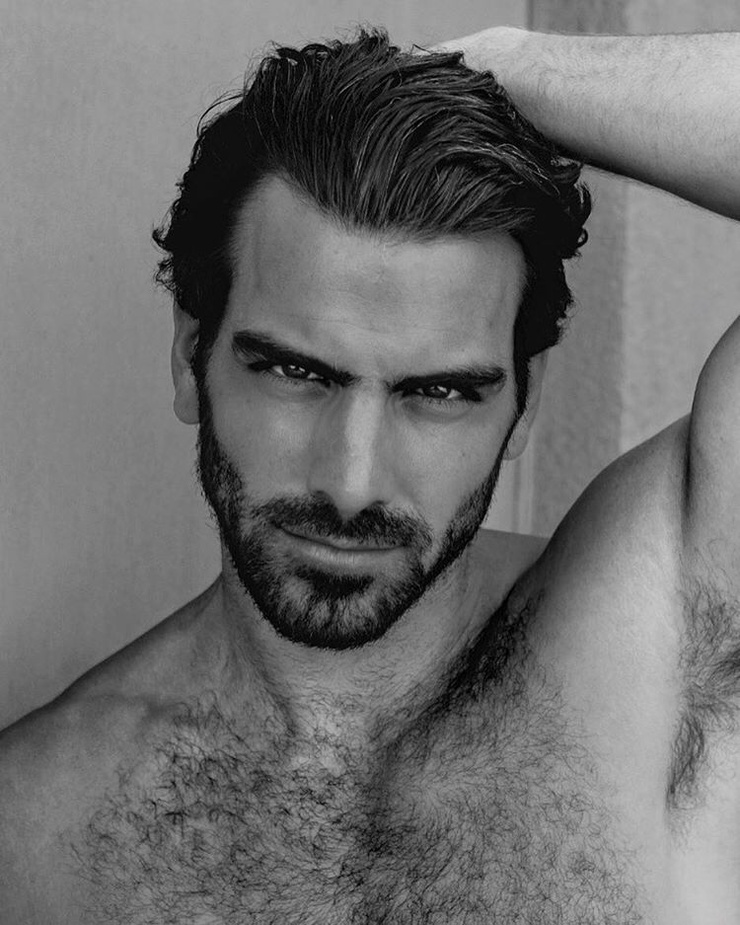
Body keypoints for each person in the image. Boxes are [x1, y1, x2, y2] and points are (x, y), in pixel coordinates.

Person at [1, 23, 739, 924]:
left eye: (439, 393)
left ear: (524, 401)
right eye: (297, 372)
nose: (351, 483)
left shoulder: (653, 651)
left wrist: (500, 66)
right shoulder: (39, 831)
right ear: (191, 356)